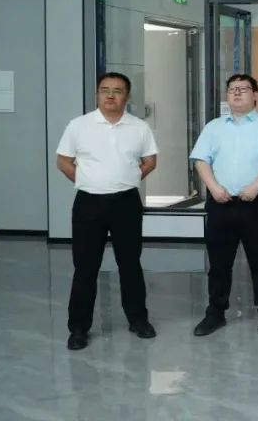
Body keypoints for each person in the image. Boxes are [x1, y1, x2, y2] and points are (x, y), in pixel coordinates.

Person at [55, 72, 159, 350]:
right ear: (97, 94)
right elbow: (63, 161)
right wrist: (86, 180)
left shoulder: (139, 127)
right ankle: (79, 328)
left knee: (130, 264)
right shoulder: (79, 125)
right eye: (105, 90)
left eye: (117, 90)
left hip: (126, 203)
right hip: (89, 203)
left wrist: (129, 178)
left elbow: (150, 161)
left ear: (128, 96)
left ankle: (138, 320)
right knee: (85, 267)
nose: (110, 95)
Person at [189, 74, 258, 336]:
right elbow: (201, 160)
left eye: (244, 89)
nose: (237, 93)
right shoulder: (214, 127)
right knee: (219, 263)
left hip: (255, 203)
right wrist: (213, 187)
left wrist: (256, 186)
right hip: (220, 202)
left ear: (255, 95)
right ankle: (215, 312)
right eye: (232, 89)